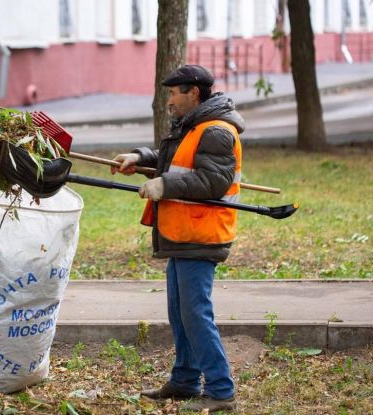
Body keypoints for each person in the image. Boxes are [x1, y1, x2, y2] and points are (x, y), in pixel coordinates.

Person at [111, 64, 243, 412]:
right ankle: (185, 380)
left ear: (194, 93)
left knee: (196, 313)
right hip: (182, 232)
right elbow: (172, 159)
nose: (168, 100)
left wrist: (164, 184)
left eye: (173, 93)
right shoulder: (193, 126)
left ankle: (221, 390)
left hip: (201, 233)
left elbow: (212, 181)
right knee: (180, 312)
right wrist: (139, 158)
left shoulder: (217, 131)